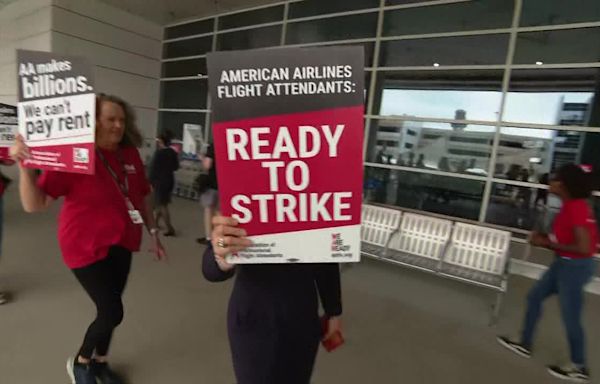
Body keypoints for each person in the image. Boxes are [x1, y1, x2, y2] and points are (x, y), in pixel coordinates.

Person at [10, 93, 167, 384]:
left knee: (109, 306)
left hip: (123, 242)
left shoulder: (129, 153)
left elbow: (141, 198)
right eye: (110, 119)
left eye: (122, 119)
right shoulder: (76, 156)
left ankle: (101, 362)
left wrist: (154, 233)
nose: (118, 125)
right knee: (112, 310)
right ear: (93, 121)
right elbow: (36, 204)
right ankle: (81, 362)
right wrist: (25, 169)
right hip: (83, 247)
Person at [202, 216, 343, 384]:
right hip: (253, 317)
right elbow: (210, 267)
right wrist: (221, 251)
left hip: (301, 318)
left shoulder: (313, 199)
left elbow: (326, 261)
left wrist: (333, 310)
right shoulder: (245, 196)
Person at [497, 164, 597, 383]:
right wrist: (546, 238)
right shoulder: (571, 205)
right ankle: (525, 342)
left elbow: (584, 247)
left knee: (571, 317)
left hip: (574, 268)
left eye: (554, 179)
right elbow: (567, 239)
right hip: (563, 264)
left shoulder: (577, 208)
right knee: (534, 297)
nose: (550, 182)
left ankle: (579, 366)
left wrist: (546, 243)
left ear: (563, 184)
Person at [149, 130, 179, 236]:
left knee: (162, 205)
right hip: (169, 180)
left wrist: (149, 181)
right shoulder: (172, 153)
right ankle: (155, 223)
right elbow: (176, 167)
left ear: (161, 141)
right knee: (160, 203)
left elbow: (153, 169)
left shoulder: (159, 153)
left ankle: (170, 228)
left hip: (159, 181)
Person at [197, 143, 218, 245]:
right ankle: (220, 241)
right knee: (220, 213)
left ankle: (209, 238)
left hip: (212, 184)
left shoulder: (214, 146)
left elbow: (207, 165)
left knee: (209, 211)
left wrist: (202, 158)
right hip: (225, 183)